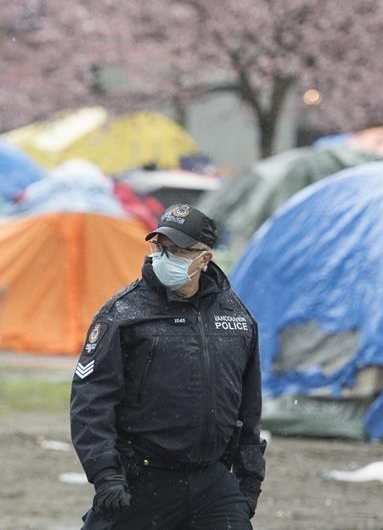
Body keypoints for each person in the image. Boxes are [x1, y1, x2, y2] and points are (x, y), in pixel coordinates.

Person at [71, 204, 265, 529]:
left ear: (205, 258)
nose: (165, 257)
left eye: (178, 250)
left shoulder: (237, 318)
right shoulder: (124, 314)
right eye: (161, 247)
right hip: (143, 477)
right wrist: (105, 474)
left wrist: (249, 481)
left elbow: (249, 408)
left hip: (211, 481)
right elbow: (91, 402)